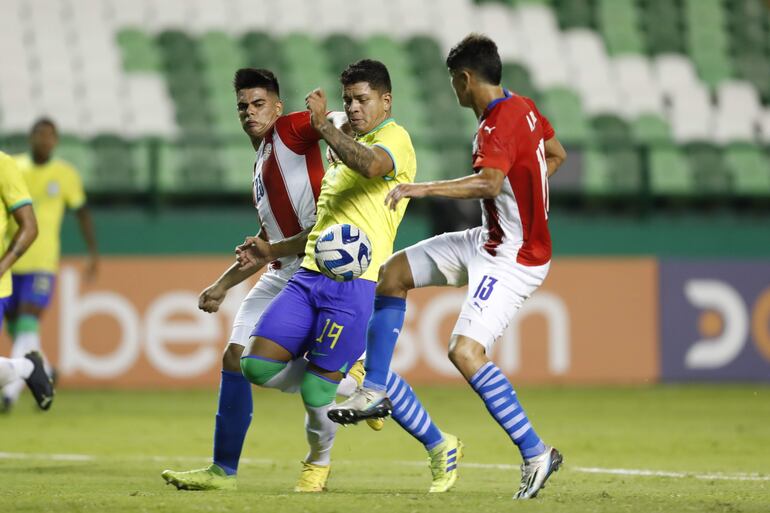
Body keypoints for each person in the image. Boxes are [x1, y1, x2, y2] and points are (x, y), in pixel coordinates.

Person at [329, 35, 568, 500]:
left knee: (464, 352)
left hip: (514, 257)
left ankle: (536, 452)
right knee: (392, 274)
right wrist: (526, 197)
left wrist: (422, 189)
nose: (453, 92)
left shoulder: (497, 124)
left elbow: (487, 183)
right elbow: (554, 155)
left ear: (465, 79)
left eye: (453, 83)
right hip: (487, 239)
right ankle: (375, 388)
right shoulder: (525, 107)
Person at [236, 59, 462, 494]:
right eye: (348, 101)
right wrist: (273, 249)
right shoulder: (338, 159)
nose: (354, 108)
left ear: (385, 101)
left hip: (353, 286)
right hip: (307, 276)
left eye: (363, 99)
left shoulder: (394, 139)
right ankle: (354, 380)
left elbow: (373, 166)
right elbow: (319, 232)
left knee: (316, 395)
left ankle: (319, 467)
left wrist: (325, 126)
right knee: (255, 364)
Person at [1, 118, 98, 411]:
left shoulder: (65, 174)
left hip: (41, 263)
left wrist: (92, 251)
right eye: (40, 136)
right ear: (31, 138)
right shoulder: (15, 166)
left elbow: (81, 213)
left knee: (29, 320)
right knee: (17, 329)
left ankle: (9, 396)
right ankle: (40, 368)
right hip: (10, 263)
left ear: (56, 141)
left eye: (50, 137)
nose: (45, 141)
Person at [0, 150, 52, 410]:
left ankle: (20, 377)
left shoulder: (3, 164)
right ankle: (27, 367)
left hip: (14, 277)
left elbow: (29, 226)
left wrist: (2, 266)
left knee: (26, 322)